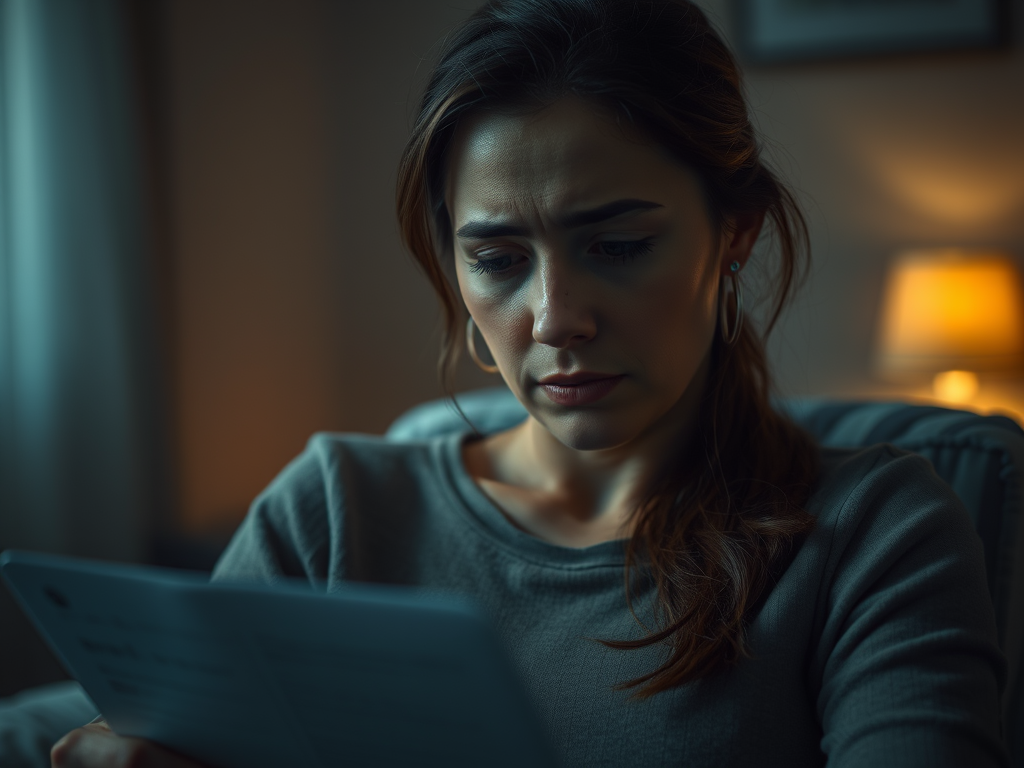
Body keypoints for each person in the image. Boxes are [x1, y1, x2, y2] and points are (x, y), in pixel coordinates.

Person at [51, 0, 1008, 766]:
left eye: (618, 245)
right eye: (499, 260)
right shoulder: (333, 512)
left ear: (736, 233)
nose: (554, 319)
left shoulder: (876, 531)